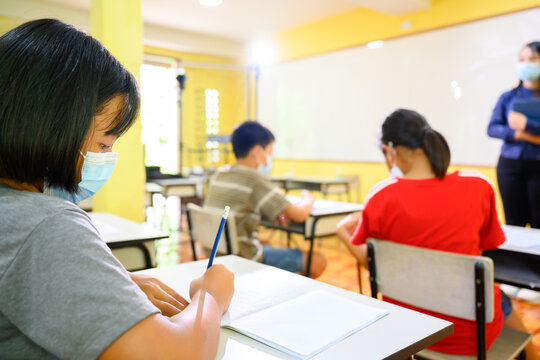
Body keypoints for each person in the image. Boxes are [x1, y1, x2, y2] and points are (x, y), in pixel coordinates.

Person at [0, 19, 234, 359]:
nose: (107, 157)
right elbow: (179, 355)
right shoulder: (45, 225)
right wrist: (210, 296)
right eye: (104, 143)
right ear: (52, 129)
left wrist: (107, 286)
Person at [337, 109, 537, 358]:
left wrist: (342, 232)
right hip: (468, 336)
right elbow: (485, 249)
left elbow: (374, 265)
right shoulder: (478, 186)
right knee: (500, 299)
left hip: (406, 329)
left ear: (389, 152)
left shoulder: (380, 197)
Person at [205, 121, 326, 278]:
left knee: (267, 243)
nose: (269, 159)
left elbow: (279, 214)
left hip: (214, 257)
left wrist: (280, 213)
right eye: (269, 153)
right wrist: (307, 198)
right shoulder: (254, 179)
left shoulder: (220, 174)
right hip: (242, 259)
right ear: (257, 152)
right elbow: (299, 214)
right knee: (317, 261)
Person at [488, 41, 540, 229]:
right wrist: (516, 133)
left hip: (538, 165)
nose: (527, 63)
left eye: (533, 59)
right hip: (509, 165)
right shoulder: (508, 97)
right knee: (513, 222)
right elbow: (492, 128)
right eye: (522, 59)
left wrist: (528, 125)